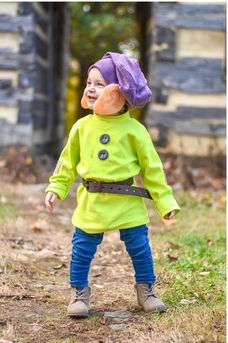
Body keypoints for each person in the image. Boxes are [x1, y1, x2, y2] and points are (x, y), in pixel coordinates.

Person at [45, 52, 180, 317]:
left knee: (139, 246)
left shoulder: (135, 131)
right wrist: (55, 187)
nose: (90, 88)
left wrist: (165, 201)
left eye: (99, 83)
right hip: (92, 201)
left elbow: (153, 171)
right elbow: (67, 163)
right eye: (88, 82)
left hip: (127, 201)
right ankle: (78, 292)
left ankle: (147, 290)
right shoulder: (82, 128)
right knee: (82, 247)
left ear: (119, 92)